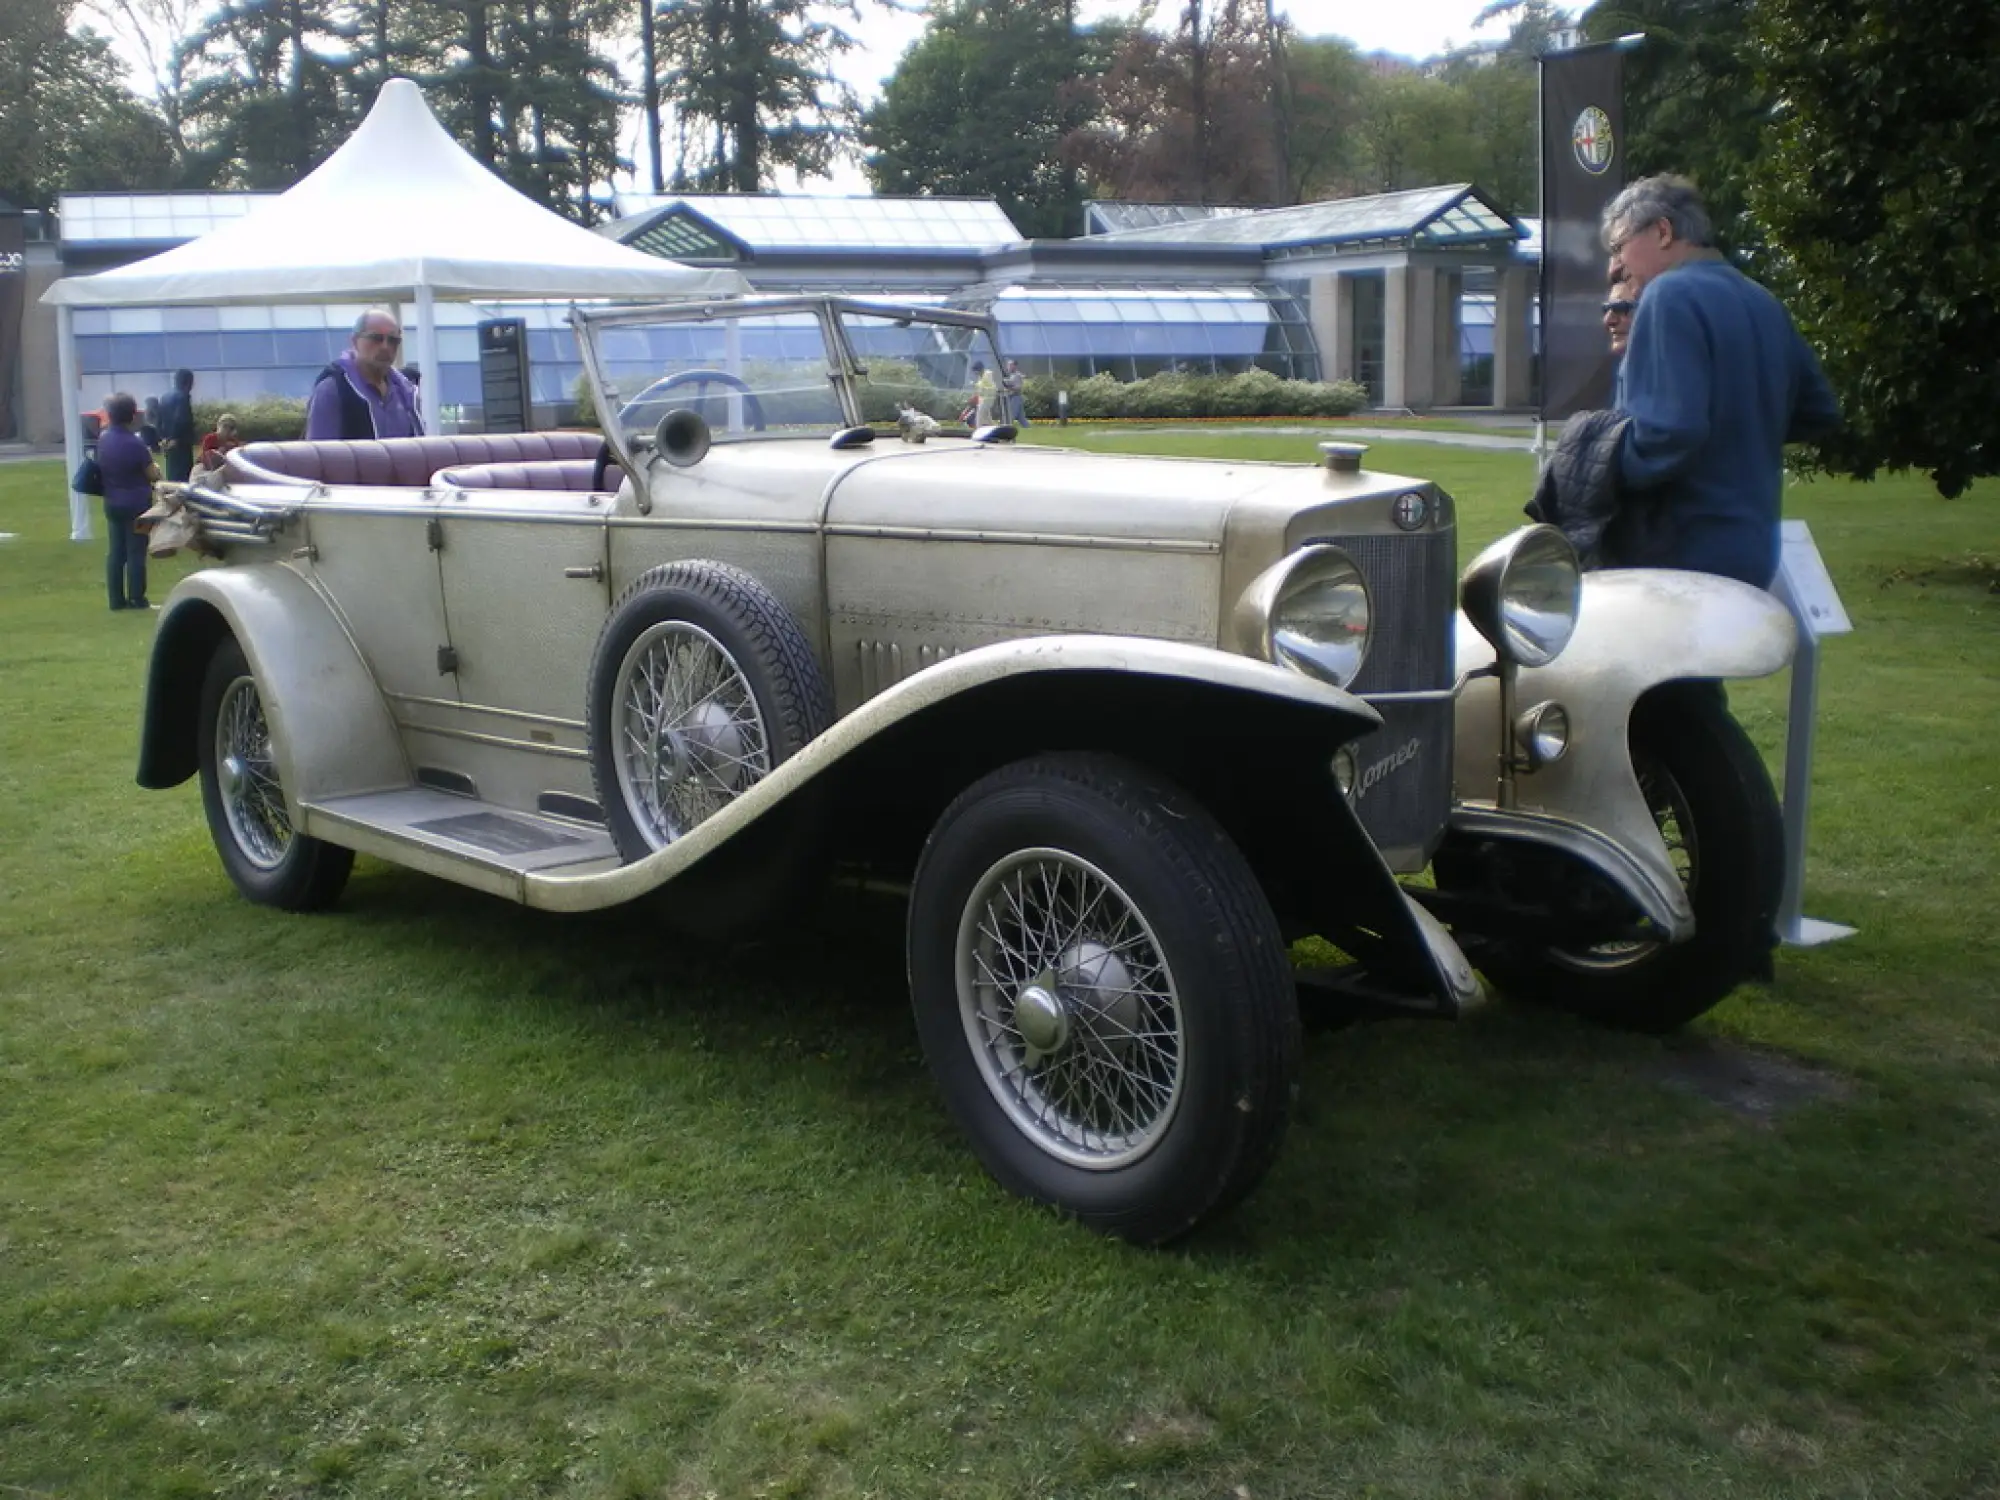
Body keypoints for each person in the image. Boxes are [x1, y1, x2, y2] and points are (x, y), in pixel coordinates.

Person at [1601, 174, 1839, 587]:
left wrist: (1599, 461)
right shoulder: (1762, 300)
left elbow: (1667, 434)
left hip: (1680, 551)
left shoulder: (1667, 294)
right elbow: (1819, 411)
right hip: (1755, 549)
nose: (1617, 263)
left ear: (1662, 231)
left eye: (1619, 245)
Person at [304, 309, 425, 440]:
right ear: (354, 341)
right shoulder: (333, 390)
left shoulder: (406, 393)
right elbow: (321, 455)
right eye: (376, 338)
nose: (385, 346)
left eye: (393, 340)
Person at [96, 391, 160, 611]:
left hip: (112, 502)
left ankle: (116, 599)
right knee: (136, 552)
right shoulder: (136, 444)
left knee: (116, 552)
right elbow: (152, 474)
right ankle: (137, 598)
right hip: (138, 505)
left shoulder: (103, 439)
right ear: (132, 416)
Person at [156, 368, 198, 482]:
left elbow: (158, 419)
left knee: (172, 471)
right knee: (183, 473)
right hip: (181, 441)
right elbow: (181, 419)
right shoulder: (183, 397)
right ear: (189, 382)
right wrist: (175, 438)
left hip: (167, 441)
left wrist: (163, 437)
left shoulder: (165, 397)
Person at [968, 360, 999, 426]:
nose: (975, 373)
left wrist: (975, 385)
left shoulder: (987, 375)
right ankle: (993, 428)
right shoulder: (981, 377)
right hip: (984, 400)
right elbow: (980, 389)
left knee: (980, 416)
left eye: (975, 371)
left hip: (988, 399)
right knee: (987, 416)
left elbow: (988, 387)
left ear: (979, 369)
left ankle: (978, 430)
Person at [1000, 359, 1028, 427]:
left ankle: (1006, 429)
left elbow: (1018, 387)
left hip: (1016, 398)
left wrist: (1008, 387)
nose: (1008, 367)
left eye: (1010, 365)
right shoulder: (1012, 375)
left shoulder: (1017, 375)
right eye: (1008, 365)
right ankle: (1028, 429)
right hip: (1014, 397)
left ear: (1014, 366)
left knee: (1011, 416)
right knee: (1021, 418)